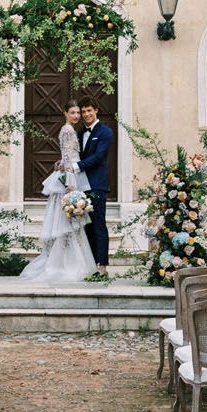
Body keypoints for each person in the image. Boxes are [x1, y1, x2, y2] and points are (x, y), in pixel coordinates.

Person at [19, 102, 96, 283]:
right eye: (73, 112)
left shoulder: (67, 130)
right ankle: (66, 264)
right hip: (69, 176)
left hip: (69, 171)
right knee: (67, 222)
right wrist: (70, 182)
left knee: (67, 222)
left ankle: (64, 260)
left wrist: (60, 163)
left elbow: (66, 155)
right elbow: (69, 157)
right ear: (65, 113)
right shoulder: (68, 130)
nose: (77, 116)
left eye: (78, 112)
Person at [77, 100, 113, 281]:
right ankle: (92, 266)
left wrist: (78, 166)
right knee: (88, 227)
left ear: (96, 110)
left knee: (99, 226)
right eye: (83, 111)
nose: (86, 114)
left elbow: (99, 157)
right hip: (82, 187)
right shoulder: (81, 132)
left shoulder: (105, 132)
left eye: (89, 110)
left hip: (97, 185)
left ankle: (103, 267)